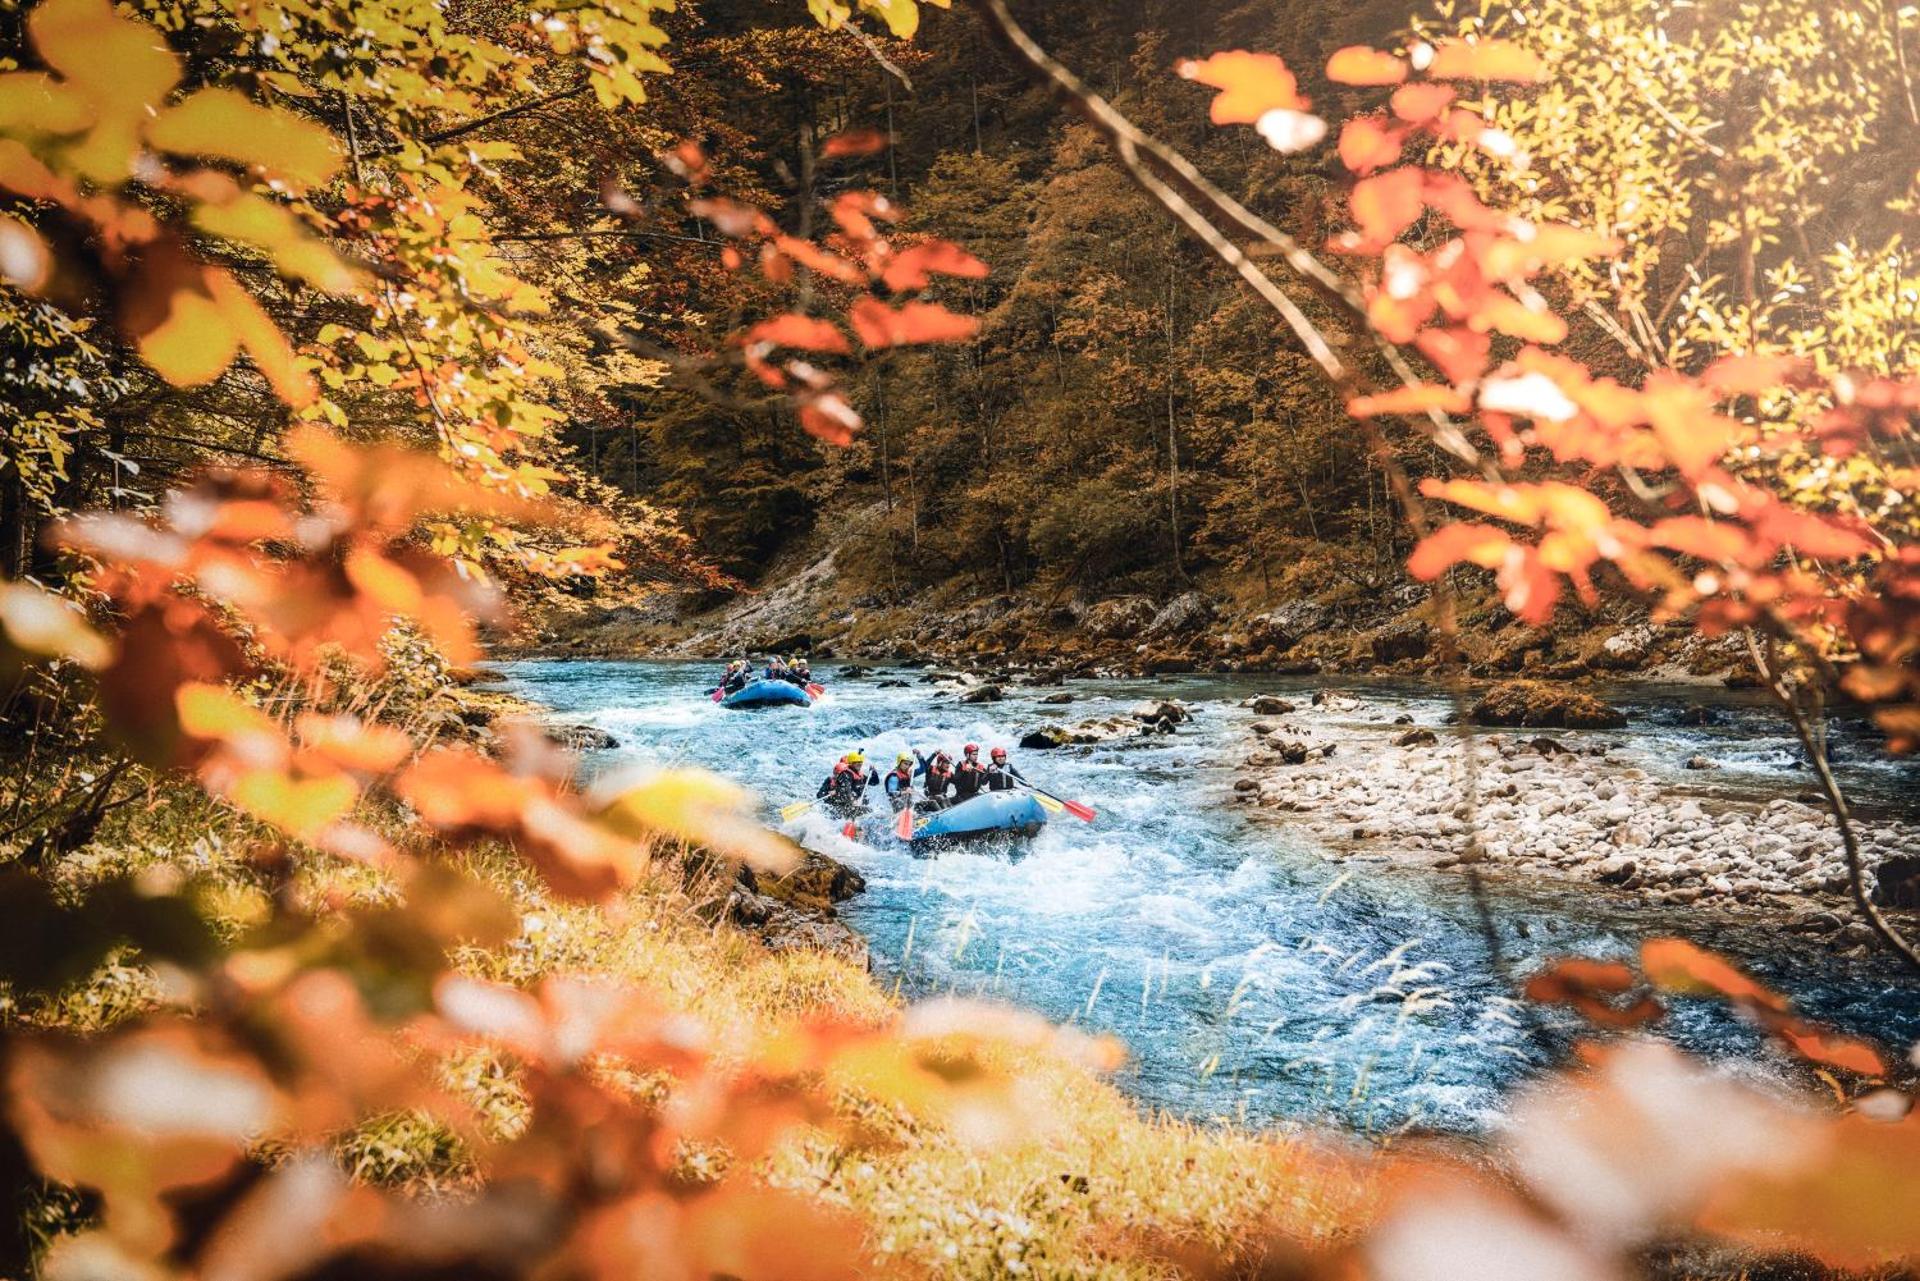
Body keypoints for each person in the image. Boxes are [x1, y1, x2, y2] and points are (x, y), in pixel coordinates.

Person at [816, 749, 879, 814]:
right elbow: (846, 790)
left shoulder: (859, 775)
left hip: (856, 803)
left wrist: (873, 772)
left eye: (839, 773)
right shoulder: (843, 776)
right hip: (842, 805)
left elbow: (874, 782)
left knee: (871, 811)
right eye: (837, 773)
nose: (838, 776)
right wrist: (829, 793)